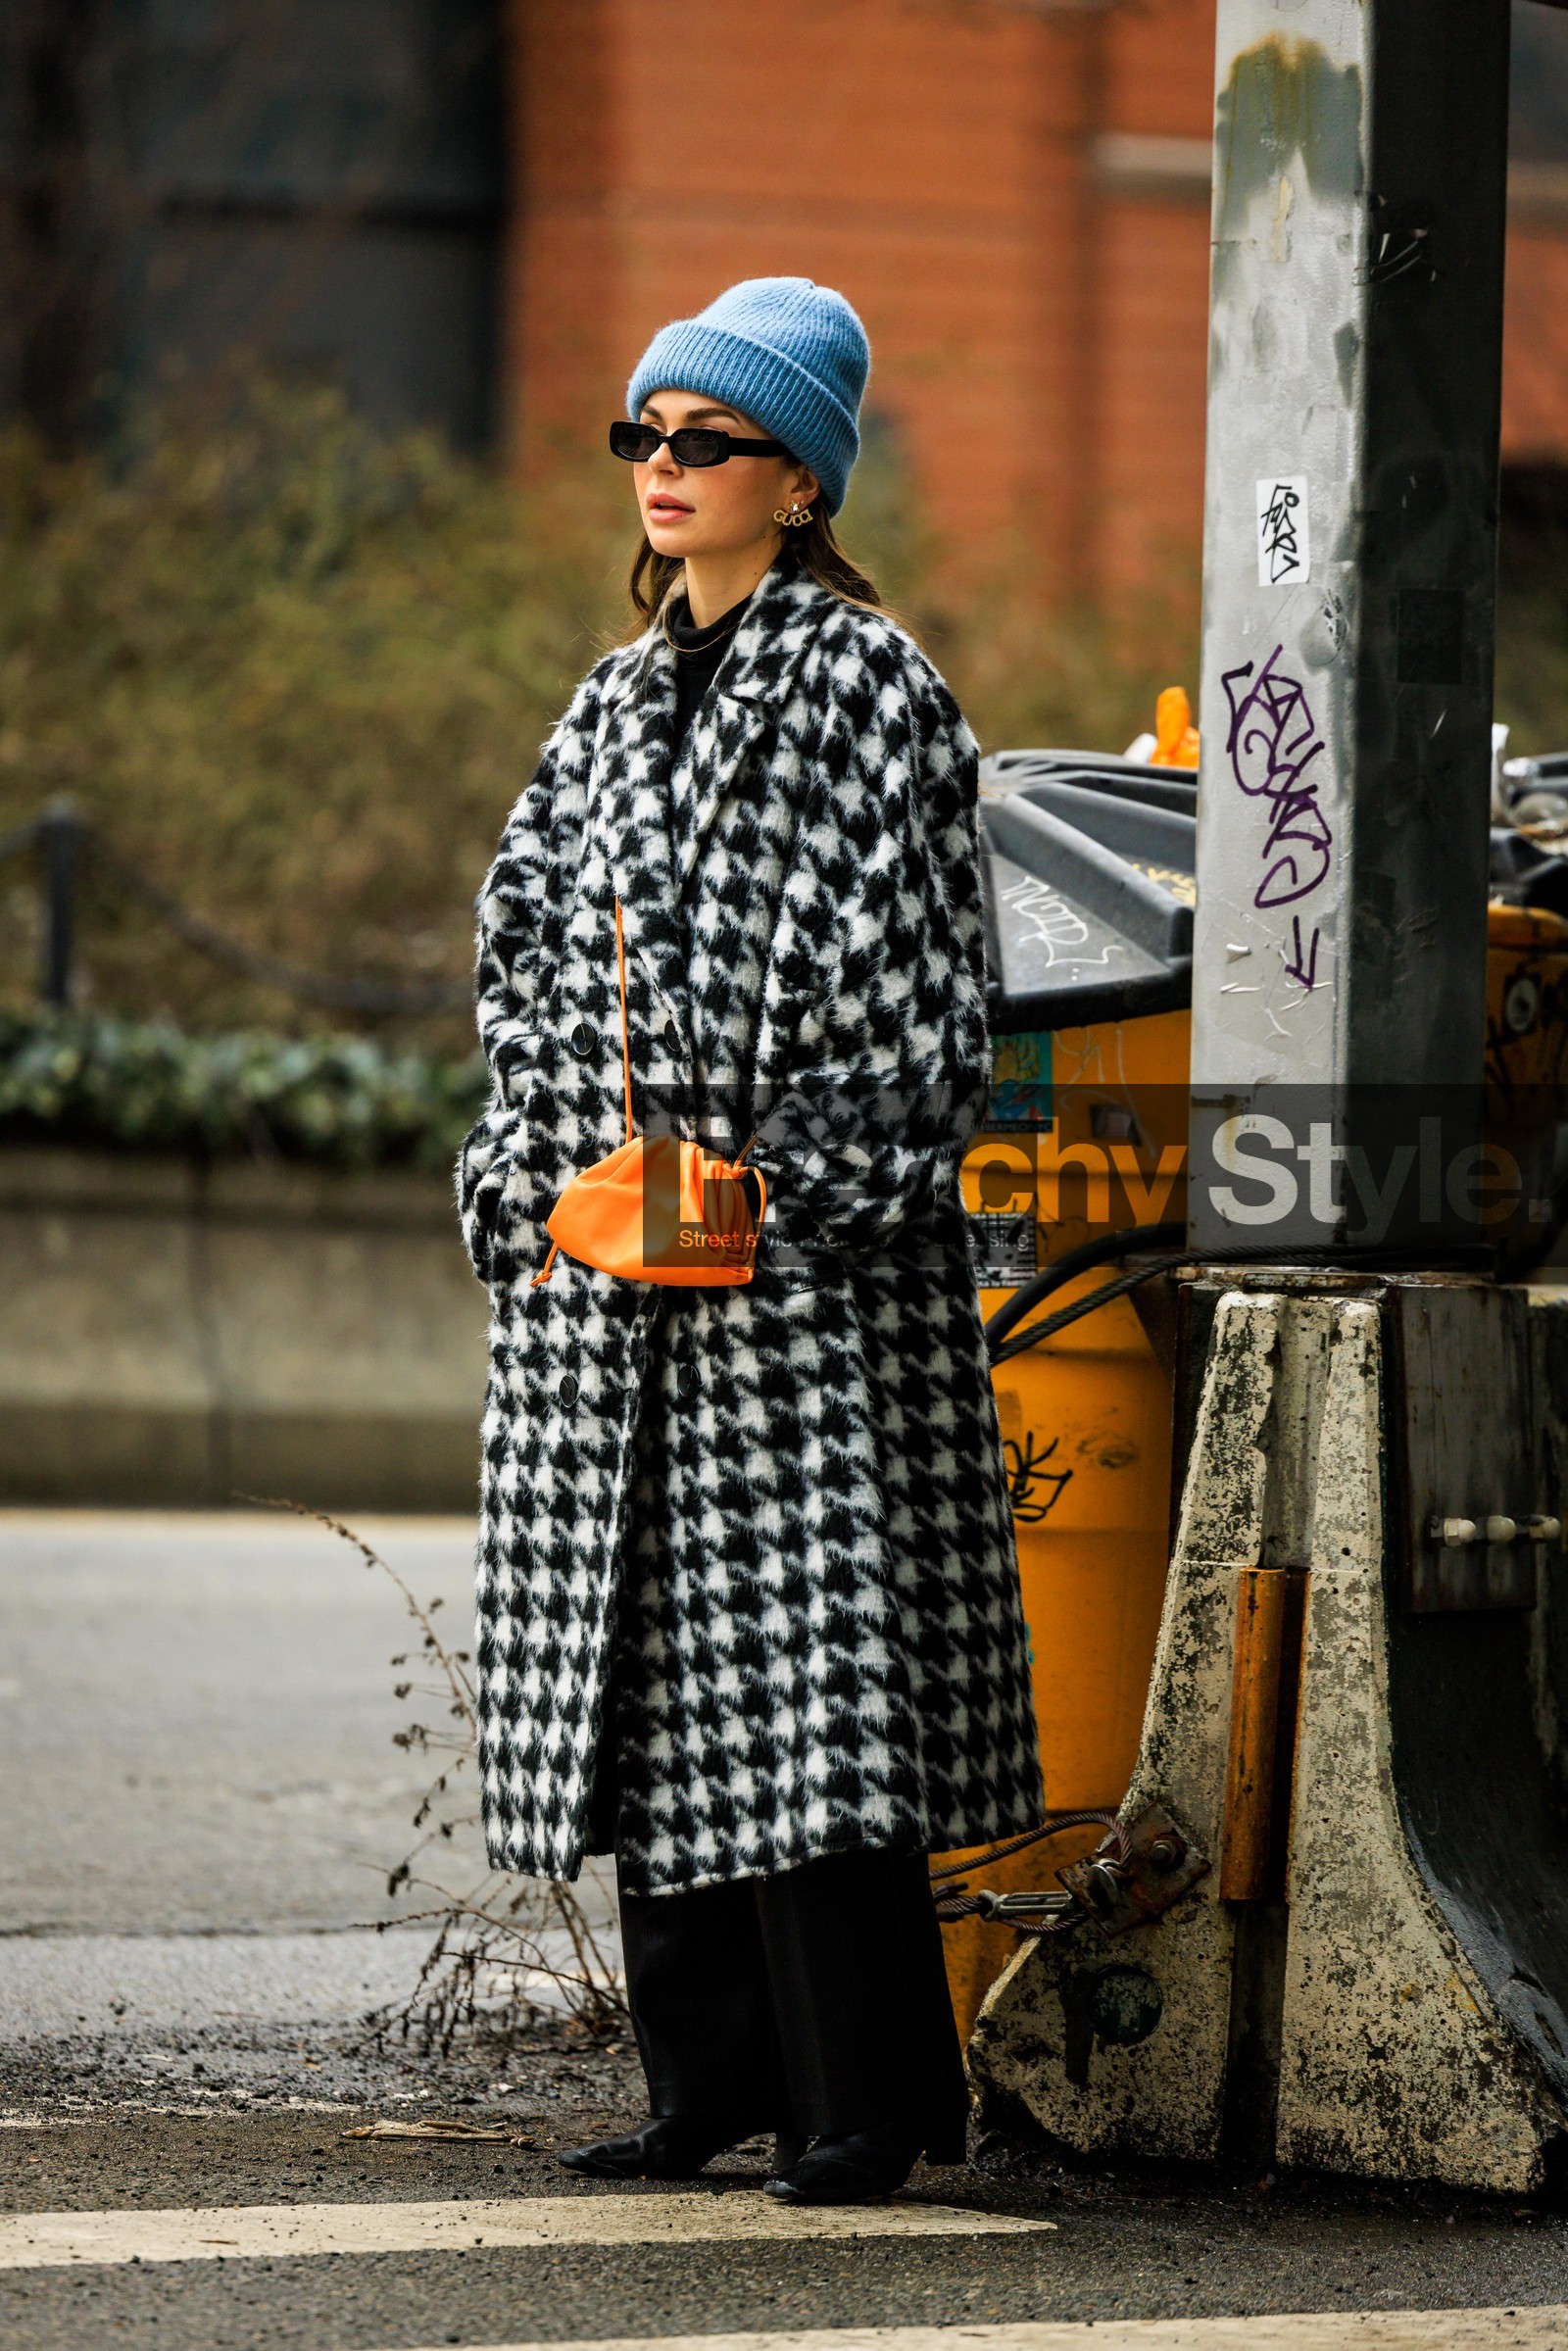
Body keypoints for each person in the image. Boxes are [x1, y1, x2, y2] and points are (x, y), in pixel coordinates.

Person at [457, 276, 1042, 2205]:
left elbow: (919, 988)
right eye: (642, 434)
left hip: (788, 1285)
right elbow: (524, 927)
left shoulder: (868, 681)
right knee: (652, 1682)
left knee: (806, 1694)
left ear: (797, 482)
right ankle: (702, 2080)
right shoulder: (618, 696)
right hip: (613, 1277)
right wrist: (526, 1186)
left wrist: (791, 1188)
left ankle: (868, 2100)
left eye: (702, 440)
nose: (659, 468)